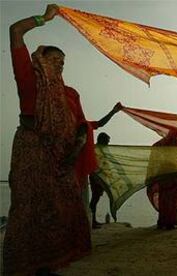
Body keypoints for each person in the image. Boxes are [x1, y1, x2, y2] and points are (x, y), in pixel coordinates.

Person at [3, 5, 111, 275]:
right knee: (28, 209)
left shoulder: (68, 95)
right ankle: (27, 266)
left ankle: (49, 265)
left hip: (60, 161)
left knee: (59, 211)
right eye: (55, 60)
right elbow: (15, 31)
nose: (60, 66)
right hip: (31, 152)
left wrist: (73, 156)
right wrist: (45, 17)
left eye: (63, 63)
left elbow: (80, 129)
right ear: (41, 59)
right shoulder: (29, 80)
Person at [146, 129, 177, 230]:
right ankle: (169, 223)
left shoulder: (163, 144)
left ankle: (164, 222)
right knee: (170, 200)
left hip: (167, 175)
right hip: (172, 174)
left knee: (166, 200)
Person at [89, 132, 111, 229]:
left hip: (99, 178)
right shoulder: (96, 150)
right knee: (94, 200)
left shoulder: (99, 150)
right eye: (107, 141)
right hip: (96, 178)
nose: (108, 143)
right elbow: (95, 166)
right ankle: (92, 221)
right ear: (102, 140)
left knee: (95, 200)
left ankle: (93, 220)